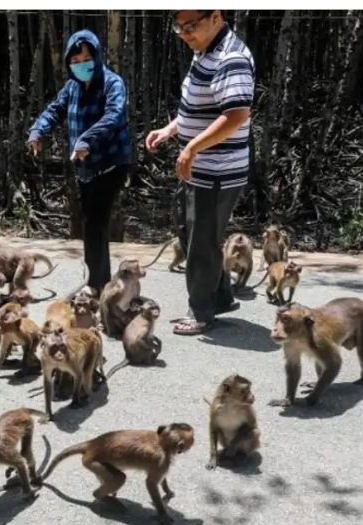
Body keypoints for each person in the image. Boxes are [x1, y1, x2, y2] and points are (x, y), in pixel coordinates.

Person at [147, 10, 254, 336]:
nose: (183, 33)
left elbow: (235, 116)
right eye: (178, 26)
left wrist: (192, 147)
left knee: (201, 241)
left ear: (216, 16)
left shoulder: (230, 58)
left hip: (217, 168)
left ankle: (201, 312)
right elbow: (204, 107)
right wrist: (171, 128)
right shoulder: (204, 51)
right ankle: (221, 295)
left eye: (190, 25)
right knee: (189, 230)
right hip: (200, 167)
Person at [28, 30, 133, 293]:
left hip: (111, 163)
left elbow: (114, 116)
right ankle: (100, 282)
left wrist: (87, 140)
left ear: (96, 57)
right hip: (86, 167)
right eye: (75, 60)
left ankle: (96, 285)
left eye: (86, 58)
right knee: (90, 223)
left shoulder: (112, 83)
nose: (81, 65)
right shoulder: (72, 86)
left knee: (95, 222)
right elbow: (55, 110)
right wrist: (37, 131)